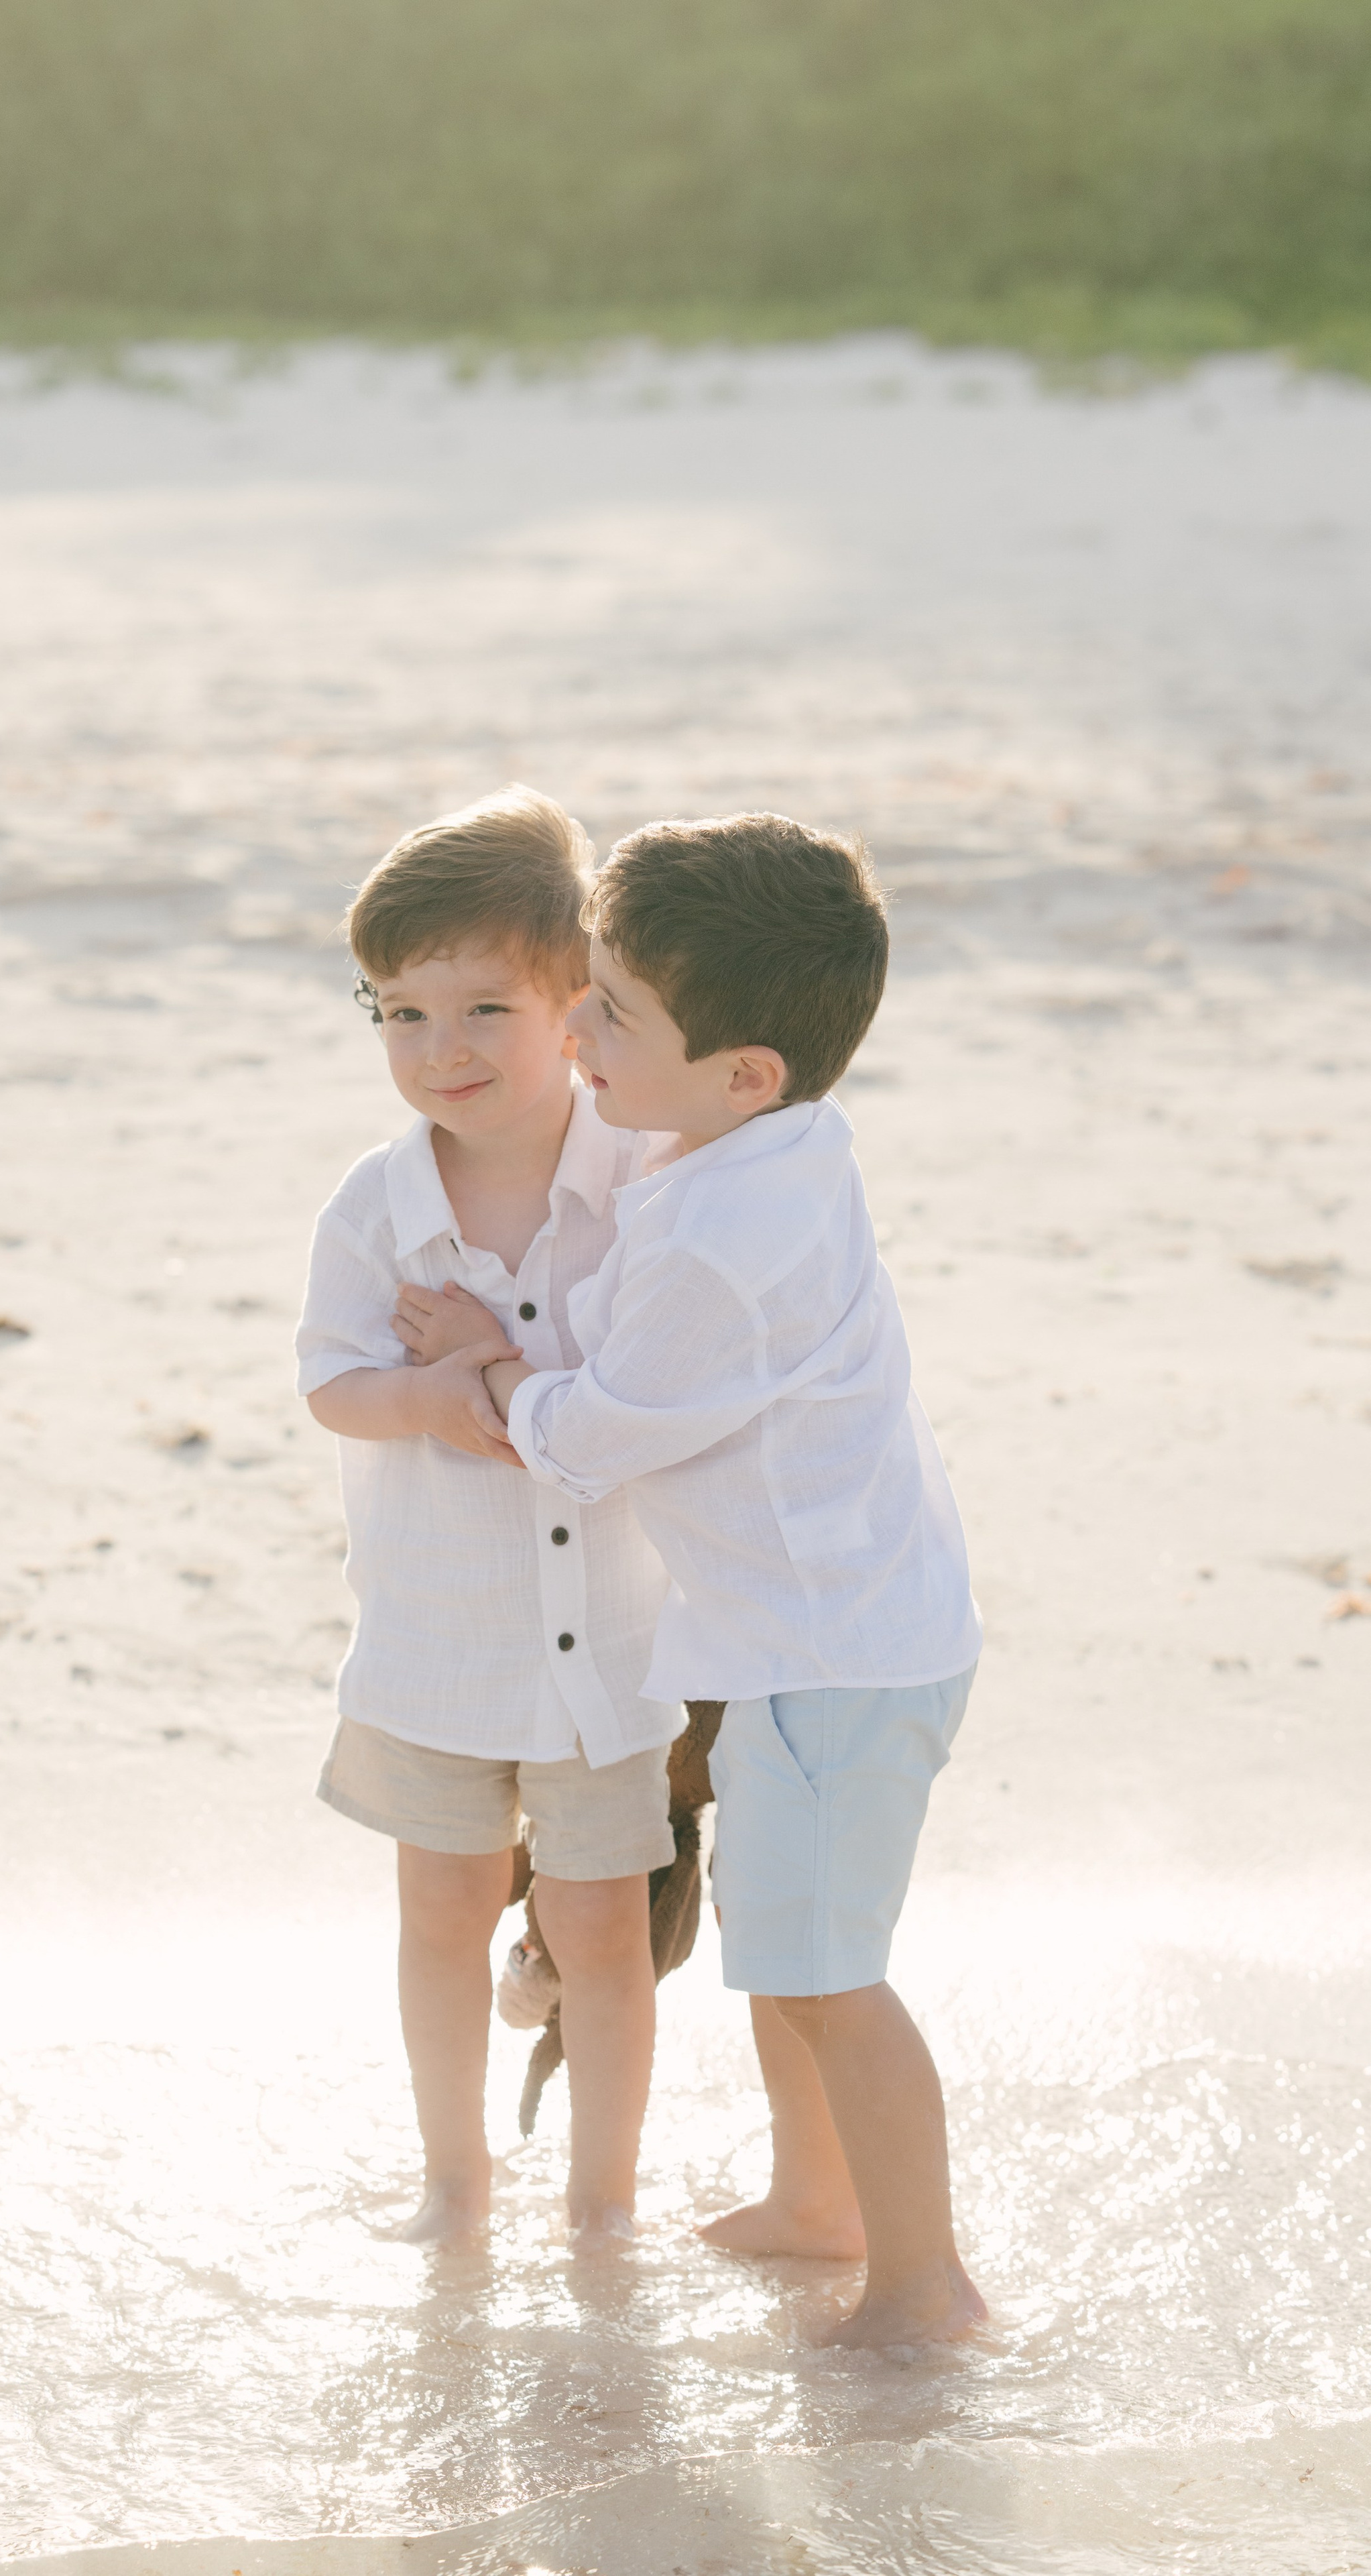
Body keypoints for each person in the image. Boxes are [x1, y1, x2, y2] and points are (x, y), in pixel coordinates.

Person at [394, 812, 986, 2345]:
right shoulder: (756, 1145)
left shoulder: (724, 1238)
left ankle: (922, 2279)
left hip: (832, 1657)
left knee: (829, 1975)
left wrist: (493, 1371)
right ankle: (816, 2201)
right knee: (782, 1949)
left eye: (612, 1013)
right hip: (824, 1632)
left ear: (743, 1070)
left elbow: (597, 1436)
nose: (575, 1025)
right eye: (583, 986)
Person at [295, 786, 682, 2247]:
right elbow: (334, 1381)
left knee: (597, 1929)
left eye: (479, 1011)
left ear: (574, 1005)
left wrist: (492, 1369)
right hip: (439, 1635)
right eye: (398, 1014)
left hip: (613, 1646)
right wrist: (440, 1389)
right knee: (444, 1910)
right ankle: (455, 2176)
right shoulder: (374, 1202)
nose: (436, 1051)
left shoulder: (645, 1183)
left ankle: (603, 2195)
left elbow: (651, 1391)